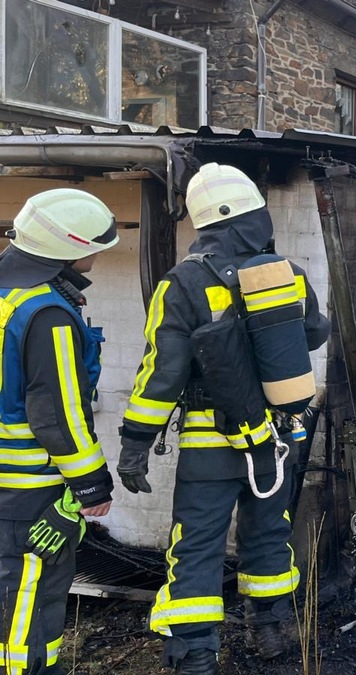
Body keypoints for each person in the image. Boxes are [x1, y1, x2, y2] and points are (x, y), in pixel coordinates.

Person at [117, 163, 330, 674]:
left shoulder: (181, 284)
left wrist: (134, 442)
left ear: (203, 223)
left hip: (212, 443)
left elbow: (162, 372)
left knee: (197, 545)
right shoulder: (289, 275)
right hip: (280, 438)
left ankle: (195, 657)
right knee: (269, 531)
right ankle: (272, 628)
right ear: (254, 216)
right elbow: (315, 334)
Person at [0, 189, 119, 674]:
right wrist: (92, 482)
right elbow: (60, 413)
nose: (96, 253)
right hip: (28, 493)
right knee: (31, 599)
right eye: (94, 244)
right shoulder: (47, 314)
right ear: (68, 247)